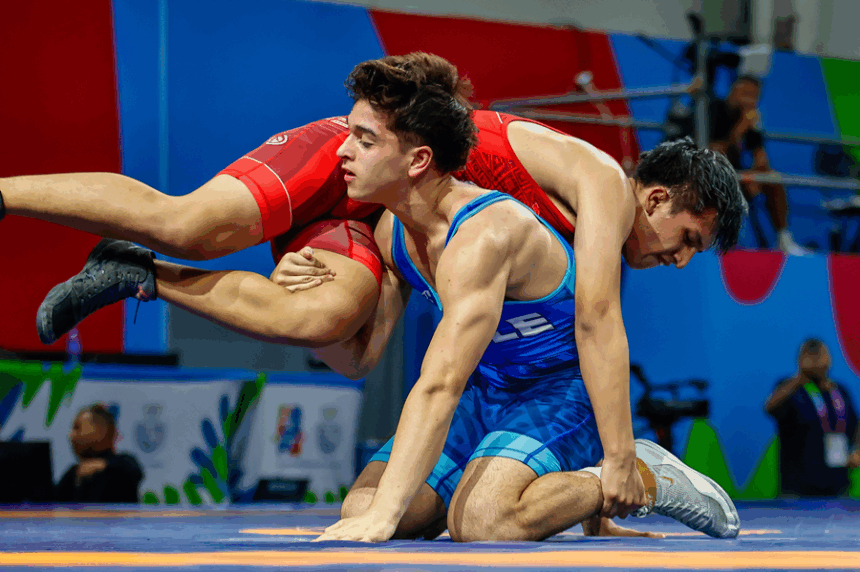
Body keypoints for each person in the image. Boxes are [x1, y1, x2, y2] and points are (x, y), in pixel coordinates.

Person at [6, 53, 746, 533]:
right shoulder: (600, 188)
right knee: (188, 223)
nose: (680, 260)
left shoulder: (487, 231)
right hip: (389, 165)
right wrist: (616, 461)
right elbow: (595, 322)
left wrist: (601, 486)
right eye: (687, 238)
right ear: (656, 198)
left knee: (322, 316)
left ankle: (143, 276)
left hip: (394, 206)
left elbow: (363, 358)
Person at [665, 75, 808, 255]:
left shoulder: (749, 119)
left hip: (736, 178)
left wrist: (756, 175)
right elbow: (712, 154)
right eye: (746, 93)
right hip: (705, 176)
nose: (749, 99)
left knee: (772, 178)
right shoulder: (713, 109)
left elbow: (762, 160)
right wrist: (739, 129)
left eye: (754, 96)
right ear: (733, 91)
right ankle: (704, 239)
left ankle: (783, 238)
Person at [765, 339, 860, 497]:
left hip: (838, 487)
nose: (816, 360)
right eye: (810, 356)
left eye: (820, 355)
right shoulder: (790, 390)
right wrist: (800, 378)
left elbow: (856, 425)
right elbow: (769, 407)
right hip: (797, 490)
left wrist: (857, 450)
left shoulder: (840, 391)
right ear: (800, 360)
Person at [55, 404, 144, 503]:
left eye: (77, 428)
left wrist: (103, 465)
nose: (71, 435)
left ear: (101, 431)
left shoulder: (123, 464)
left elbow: (134, 471)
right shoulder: (73, 473)